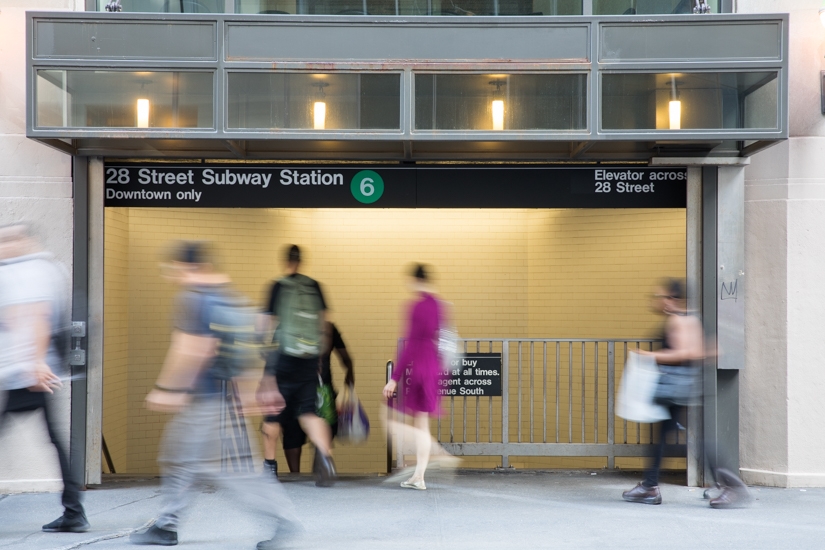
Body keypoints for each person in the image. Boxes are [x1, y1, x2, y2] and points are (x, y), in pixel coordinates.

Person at [129, 241, 298, 549]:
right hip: (223, 398)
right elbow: (249, 345)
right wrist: (249, 394)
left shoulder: (194, 298)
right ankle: (167, 524)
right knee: (188, 460)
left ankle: (280, 518)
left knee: (224, 469)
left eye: (176, 269)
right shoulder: (228, 297)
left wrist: (169, 389)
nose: (172, 275)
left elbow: (194, 348)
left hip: (205, 400)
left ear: (191, 267)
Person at [621, 279, 751, 509]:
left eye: (661, 296)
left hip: (675, 388)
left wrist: (650, 355)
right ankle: (650, 485)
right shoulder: (693, 318)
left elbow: (683, 353)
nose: (658, 301)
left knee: (696, 440)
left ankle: (731, 487)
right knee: (670, 435)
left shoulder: (677, 320)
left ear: (672, 299)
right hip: (686, 386)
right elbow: (706, 350)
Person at [0, 223, 88, 533]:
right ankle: (74, 511)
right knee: (55, 440)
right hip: (26, 372)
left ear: (25, 241)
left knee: (54, 440)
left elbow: (38, 317)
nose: (3, 246)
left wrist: (35, 363)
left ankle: (74, 511)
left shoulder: (30, 271)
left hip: (27, 374)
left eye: (8, 240)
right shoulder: (45, 268)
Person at [258, 245, 336, 486]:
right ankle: (325, 457)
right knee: (308, 412)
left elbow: (263, 324)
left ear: (286, 261)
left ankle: (269, 467)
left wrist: (262, 350)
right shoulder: (315, 287)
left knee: (273, 413)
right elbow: (325, 325)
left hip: (282, 358)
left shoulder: (278, 286)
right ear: (301, 261)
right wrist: (319, 358)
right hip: (309, 359)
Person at [382, 264, 446, 491]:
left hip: (419, 369)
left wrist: (394, 377)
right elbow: (442, 338)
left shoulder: (415, 306)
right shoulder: (438, 305)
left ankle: (425, 468)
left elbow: (409, 345)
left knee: (415, 424)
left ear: (415, 280)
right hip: (433, 369)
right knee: (422, 423)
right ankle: (419, 475)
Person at [272, 321, 354, 474]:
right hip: (320, 389)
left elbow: (273, 357)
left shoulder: (286, 325)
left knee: (293, 434)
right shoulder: (326, 327)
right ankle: (319, 470)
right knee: (315, 430)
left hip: (295, 388)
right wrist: (350, 376)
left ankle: (299, 474)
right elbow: (346, 359)